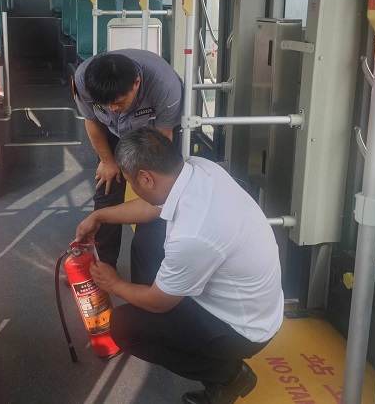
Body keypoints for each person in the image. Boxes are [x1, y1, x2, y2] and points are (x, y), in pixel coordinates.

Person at [75, 128, 283, 404]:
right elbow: (151, 208)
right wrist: (99, 217)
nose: (131, 187)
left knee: (125, 327)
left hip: (241, 329)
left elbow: (159, 303)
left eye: (130, 181)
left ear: (146, 178)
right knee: (148, 234)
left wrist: (114, 284)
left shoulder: (192, 234)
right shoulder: (199, 169)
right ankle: (165, 318)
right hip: (254, 302)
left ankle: (229, 376)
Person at [73, 50, 182, 282]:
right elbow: (92, 122)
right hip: (111, 131)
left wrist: (144, 177)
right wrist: (108, 161)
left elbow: (162, 140)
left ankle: (148, 274)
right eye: (106, 104)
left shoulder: (165, 86)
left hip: (153, 133)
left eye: (118, 102)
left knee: (155, 194)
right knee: (107, 188)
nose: (113, 108)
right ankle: (103, 266)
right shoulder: (83, 80)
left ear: (137, 83)